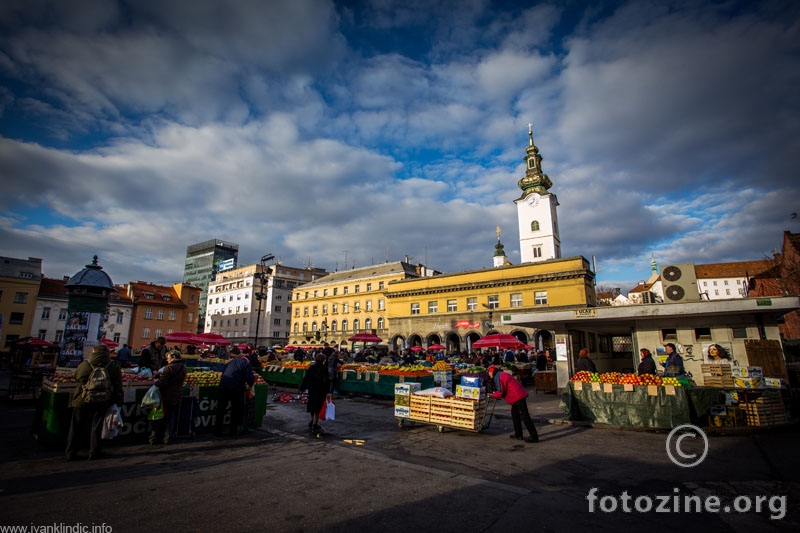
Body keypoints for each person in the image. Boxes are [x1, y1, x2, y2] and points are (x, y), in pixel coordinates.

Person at [65, 344, 123, 461]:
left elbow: (76, 376)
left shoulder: (85, 365)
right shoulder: (112, 366)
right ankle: (94, 452)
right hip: (103, 401)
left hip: (83, 400)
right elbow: (118, 386)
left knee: (76, 427)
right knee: (97, 427)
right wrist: (118, 401)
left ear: (93, 352)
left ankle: (71, 452)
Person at [487, 365, 539, 443]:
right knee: (515, 415)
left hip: (517, 396)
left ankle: (534, 436)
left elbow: (501, 392)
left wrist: (492, 395)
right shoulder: (501, 374)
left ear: (491, 372)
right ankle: (518, 434)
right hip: (517, 396)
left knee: (525, 416)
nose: (489, 375)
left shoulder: (498, 377)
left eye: (489, 373)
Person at [214, 348, 255, 437]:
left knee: (221, 408)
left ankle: (217, 430)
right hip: (236, 388)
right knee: (236, 409)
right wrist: (250, 384)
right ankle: (233, 430)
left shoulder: (229, 363)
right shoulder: (245, 363)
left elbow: (223, 374)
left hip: (223, 386)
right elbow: (250, 378)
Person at [150, 349, 186, 445]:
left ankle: (155, 438)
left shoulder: (169, 368)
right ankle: (168, 438)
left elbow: (163, 383)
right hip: (177, 394)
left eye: (168, 358)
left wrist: (156, 381)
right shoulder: (183, 367)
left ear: (173, 358)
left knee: (160, 417)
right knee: (172, 418)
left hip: (166, 395)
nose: (167, 360)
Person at [299, 352, 331, 435]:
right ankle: (315, 423)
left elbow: (306, 378)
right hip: (320, 390)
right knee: (318, 406)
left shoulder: (311, 367)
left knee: (312, 404)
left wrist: (302, 388)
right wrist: (328, 391)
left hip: (312, 389)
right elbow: (326, 381)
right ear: (323, 360)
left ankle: (312, 420)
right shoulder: (324, 368)